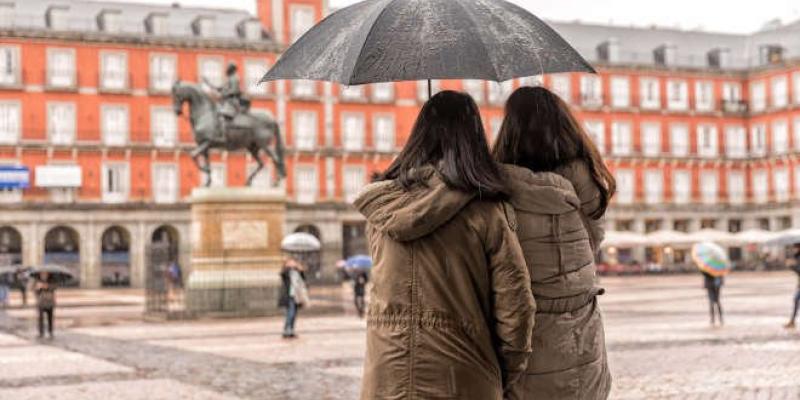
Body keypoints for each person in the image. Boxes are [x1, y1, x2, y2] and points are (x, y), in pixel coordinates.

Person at [354, 91, 535, 400]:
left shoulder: (380, 211)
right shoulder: (486, 212)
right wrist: (505, 371)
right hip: (464, 376)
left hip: (386, 377)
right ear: (473, 139)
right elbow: (516, 307)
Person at [493, 86, 614, 400]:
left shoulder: (497, 187)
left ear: (510, 130)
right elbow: (591, 244)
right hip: (582, 327)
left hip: (525, 330)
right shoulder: (586, 180)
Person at [205, 62, 242, 142]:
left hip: (232, 102)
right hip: (226, 102)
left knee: (222, 116)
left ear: (231, 69)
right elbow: (219, 88)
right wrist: (208, 83)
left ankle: (224, 136)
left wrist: (223, 94)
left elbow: (235, 90)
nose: (226, 69)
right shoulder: (229, 79)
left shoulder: (235, 78)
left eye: (228, 67)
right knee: (214, 112)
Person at [278, 257, 308, 339]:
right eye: (290, 262)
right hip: (289, 295)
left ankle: (291, 329)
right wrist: (287, 266)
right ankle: (286, 330)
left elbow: (303, 280)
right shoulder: (286, 272)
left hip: (297, 295)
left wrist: (301, 270)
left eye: (293, 262)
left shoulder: (297, 272)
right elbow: (283, 274)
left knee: (294, 313)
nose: (293, 263)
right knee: (290, 313)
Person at [34, 271, 56, 339]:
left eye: (45, 274)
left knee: (50, 318)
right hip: (41, 302)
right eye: (42, 274)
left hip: (49, 302)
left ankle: (50, 331)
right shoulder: (37, 281)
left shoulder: (52, 281)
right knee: (40, 318)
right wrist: (37, 288)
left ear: (48, 274)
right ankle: (41, 332)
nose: (43, 275)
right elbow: (35, 292)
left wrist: (47, 286)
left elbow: (54, 287)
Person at [785, 244, 800, 329]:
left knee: (796, 300)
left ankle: (792, 321)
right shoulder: (797, 257)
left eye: (796, 247)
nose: (795, 249)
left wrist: (791, 266)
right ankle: (792, 321)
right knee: (796, 300)